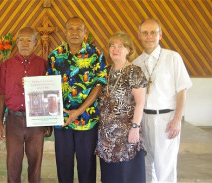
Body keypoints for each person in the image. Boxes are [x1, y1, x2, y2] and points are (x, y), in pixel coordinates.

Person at [47, 17, 107, 183]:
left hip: (87, 120)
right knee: (63, 165)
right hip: (62, 121)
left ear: (85, 33)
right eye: (71, 29)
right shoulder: (54, 56)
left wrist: (79, 111)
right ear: (65, 32)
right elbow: (48, 86)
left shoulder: (96, 54)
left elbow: (99, 85)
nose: (74, 32)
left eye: (78, 29)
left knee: (87, 166)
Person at [133, 18, 192, 182]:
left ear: (160, 35)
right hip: (143, 118)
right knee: (146, 166)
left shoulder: (173, 58)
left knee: (164, 166)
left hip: (166, 119)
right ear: (139, 35)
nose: (149, 36)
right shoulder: (136, 63)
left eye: (153, 32)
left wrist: (177, 119)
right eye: (145, 33)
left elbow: (182, 90)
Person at [0, 27, 50, 183]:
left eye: (29, 40)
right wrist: (0, 122)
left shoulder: (43, 65)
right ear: (16, 42)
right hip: (13, 120)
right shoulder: (7, 65)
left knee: (35, 162)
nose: (25, 43)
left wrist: (48, 122)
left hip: (37, 120)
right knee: (13, 163)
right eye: (21, 40)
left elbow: (49, 93)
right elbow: (1, 94)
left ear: (35, 43)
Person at [95, 31, 147, 183]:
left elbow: (140, 102)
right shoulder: (106, 71)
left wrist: (135, 127)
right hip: (106, 138)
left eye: (120, 46)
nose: (115, 49)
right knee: (110, 177)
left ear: (129, 50)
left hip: (126, 135)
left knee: (127, 176)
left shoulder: (134, 72)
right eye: (112, 46)